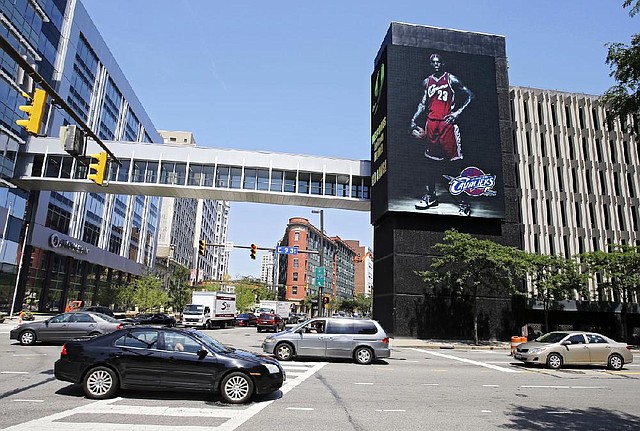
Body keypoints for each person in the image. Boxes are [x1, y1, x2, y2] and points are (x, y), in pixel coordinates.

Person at [411, 53, 474, 214]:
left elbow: (470, 95)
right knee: (430, 164)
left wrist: (458, 112)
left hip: (448, 125)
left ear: (443, 63)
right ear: (430, 64)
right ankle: (431, 197)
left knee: (455, 165)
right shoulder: (427, 81)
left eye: (438, 62)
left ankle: (464, 202)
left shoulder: (451, 79)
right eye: (433, 62)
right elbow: (423, 103)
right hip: (431, 124)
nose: (436, 64)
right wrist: (414, 118)